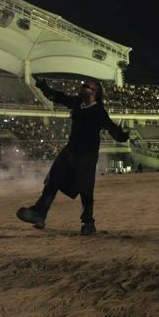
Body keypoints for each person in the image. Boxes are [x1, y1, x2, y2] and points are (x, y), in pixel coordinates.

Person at [16, 78, 129, 235]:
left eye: (86, 86)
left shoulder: (99, 112)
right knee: (52, 179)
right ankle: (39, 213)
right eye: (82, 85)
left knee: (86, 190)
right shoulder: (77, 103)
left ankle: (88, 222)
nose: (81, 87)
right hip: (71, 150)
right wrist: (43, 86)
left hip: (87, 155)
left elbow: (112, 129)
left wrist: (123, 136)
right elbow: (58, 96)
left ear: (94, 92)